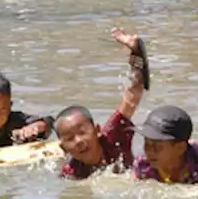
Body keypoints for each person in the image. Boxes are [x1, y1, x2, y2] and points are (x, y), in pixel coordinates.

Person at [55, 29, 149, 179]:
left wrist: (136, 51)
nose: (78, 141)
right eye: (69, 139)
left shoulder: (113, 135)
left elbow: (134, 94)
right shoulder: (71, 173)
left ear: (97, 130)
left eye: (82, 132)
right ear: (63, 148)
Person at [132, 105, 198, 186]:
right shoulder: (143, 165)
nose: (150, 151)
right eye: (147, 143)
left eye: (158, 146)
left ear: (180, 148)